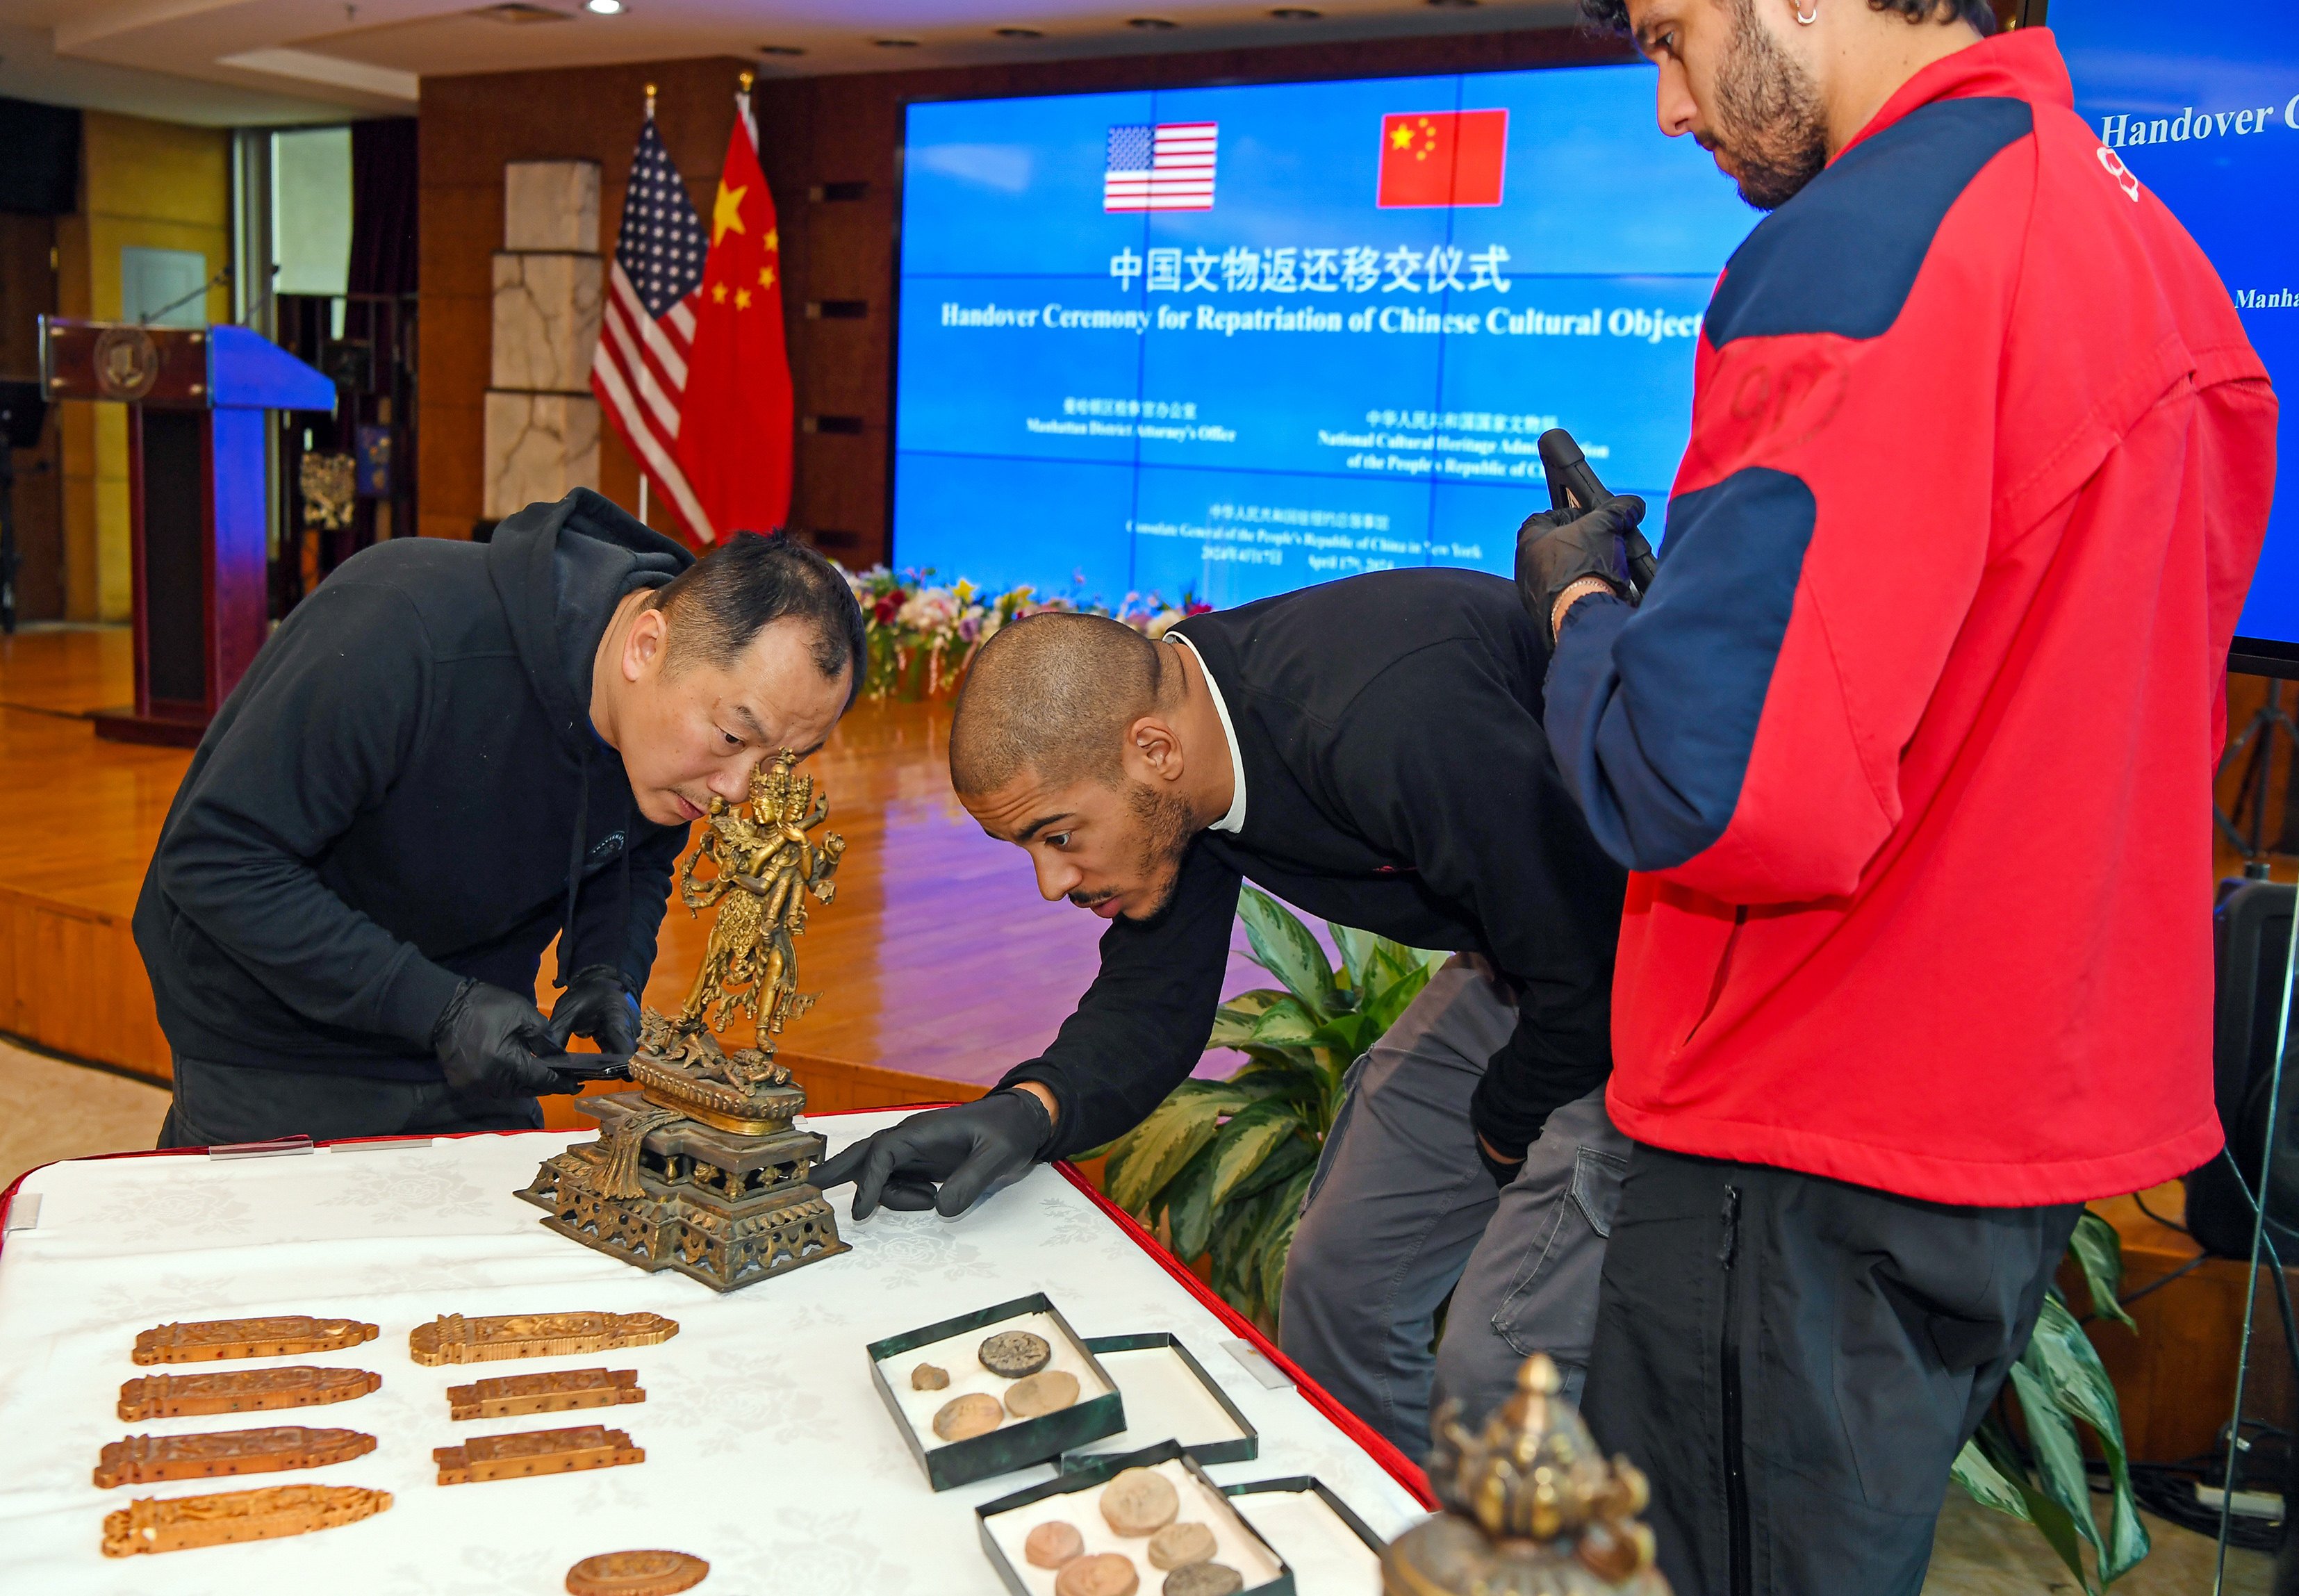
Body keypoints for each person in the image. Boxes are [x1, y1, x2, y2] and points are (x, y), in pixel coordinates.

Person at [1517, 0, 2278, 1590]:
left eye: (1670, 36)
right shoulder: (2146, 245)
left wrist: (1583, 619)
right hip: (1996, 1121)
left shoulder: (1868, 240)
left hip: (1806, 1120)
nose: (1667, 105)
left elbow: (1712, 792)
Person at [814, 574, 1628, 1456]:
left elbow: (1589, 962)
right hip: (1533, 950)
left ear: (1154, 749)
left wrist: (1505, 1126)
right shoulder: (1178, 752)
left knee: (1499, 1366)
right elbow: (1154, 996)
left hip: (1649, 966)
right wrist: (1029, 1108)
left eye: (1057, 835)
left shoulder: (1384, 718)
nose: (1051, 883)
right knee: (1341, 1284)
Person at [138, 488, 865, 1148]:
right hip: (271, 1042)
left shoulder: (670, 737)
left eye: (779, 762)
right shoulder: (403, 627)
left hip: (474, 1044)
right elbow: (216, 862)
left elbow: (632, 852)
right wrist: (438, 1006)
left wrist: (606, 965)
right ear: (647, 645)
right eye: (734, 737)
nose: (738, 788)